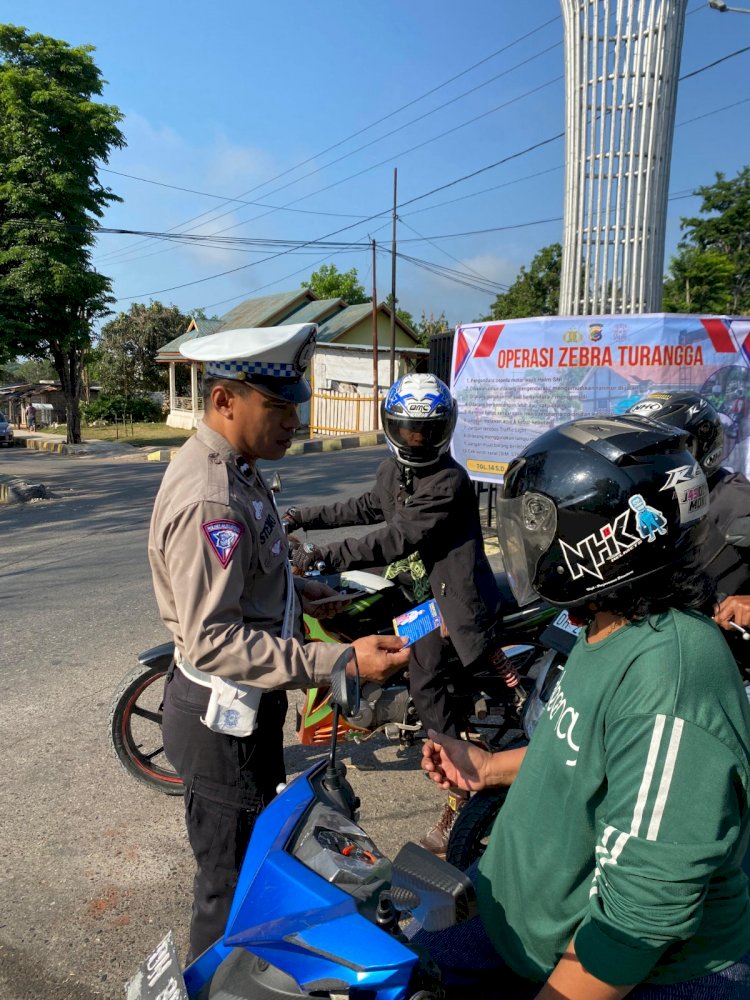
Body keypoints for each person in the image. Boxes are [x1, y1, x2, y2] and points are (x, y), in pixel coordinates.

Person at [418, 414, 750, 999]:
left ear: (611, 540)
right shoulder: (608, 622)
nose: (532, 543)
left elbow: (642, 913)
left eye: (546, 526)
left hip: (626, 969)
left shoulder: (672, 671)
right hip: (522, 924)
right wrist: (490, 768)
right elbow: (589, 745)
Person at [148, 322, 410, 961]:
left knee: (256, 869)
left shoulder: (237, 468)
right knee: (230, 885)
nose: (294, 419)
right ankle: (212, 981)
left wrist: (296, 591)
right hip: (220, 720)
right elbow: (213, 639)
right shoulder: (212, 495)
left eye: (296, 404)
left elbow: (244, 580)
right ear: (224, 401)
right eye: (278, 406)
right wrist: (339, 659)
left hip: (245, 708)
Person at [284, 372, 509, 855]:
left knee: (425, 681)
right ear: (392, 426)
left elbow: (396, 537)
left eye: (428, 430)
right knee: (349, 610)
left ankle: (461, 795)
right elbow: (366, 507)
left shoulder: (449, 480)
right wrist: (302, 517)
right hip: (410, 587)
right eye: (409, 430)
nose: (417, 439)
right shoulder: (394, 470)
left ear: (445, 430)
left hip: (447, 602)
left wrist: (321, 556)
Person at [626, 391, 750, 679]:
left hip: (730, 668)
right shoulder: (653, 503)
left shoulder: (736, 503)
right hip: (658, 656)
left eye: (661, 453)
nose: (649, 464)